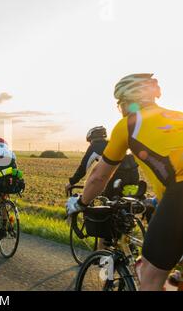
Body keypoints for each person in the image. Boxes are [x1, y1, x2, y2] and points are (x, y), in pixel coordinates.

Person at [66, 73, 183, 291]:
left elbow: (99, 176)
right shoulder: (178, 115)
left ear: (127, 102)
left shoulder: (128, 125)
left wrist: (80, 203)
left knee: (150, 276)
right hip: (168, 192)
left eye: (119, 103)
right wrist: (158, 199)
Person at [65, 126, 140, 199]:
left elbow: (83, 167)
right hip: (134, 175)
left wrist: (71, 182)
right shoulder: (112, 143)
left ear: (91, 139)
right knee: (128, 202)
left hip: (116, 176)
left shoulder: (94, 146)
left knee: (109, 202)